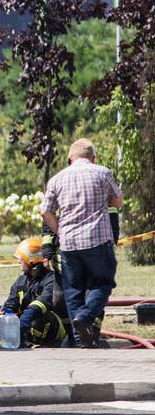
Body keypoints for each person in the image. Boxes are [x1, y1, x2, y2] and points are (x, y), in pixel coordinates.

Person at [39, 139, 123, 348]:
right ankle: (85, 318)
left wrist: (59, 230)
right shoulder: (102, 173)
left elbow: (45, 211)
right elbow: (118, 201)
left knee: (73, 291)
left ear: (70, 159)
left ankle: (81, 341)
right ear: (93, 158)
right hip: (97, 241)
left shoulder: (57, 179)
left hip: (69, 245)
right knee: (103, 284)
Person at [2, 238, 70, 347]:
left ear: (32, 261)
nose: (19, 261)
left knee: (39, 319)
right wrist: (5, 314)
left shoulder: (52, 279)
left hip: (53, 325)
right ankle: (25, 342)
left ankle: (41, 343)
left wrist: (25, 318)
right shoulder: (21, 281)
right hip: (27, 325)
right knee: (3, 325)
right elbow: (11, 302)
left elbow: (44, 301)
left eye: (22, 259)